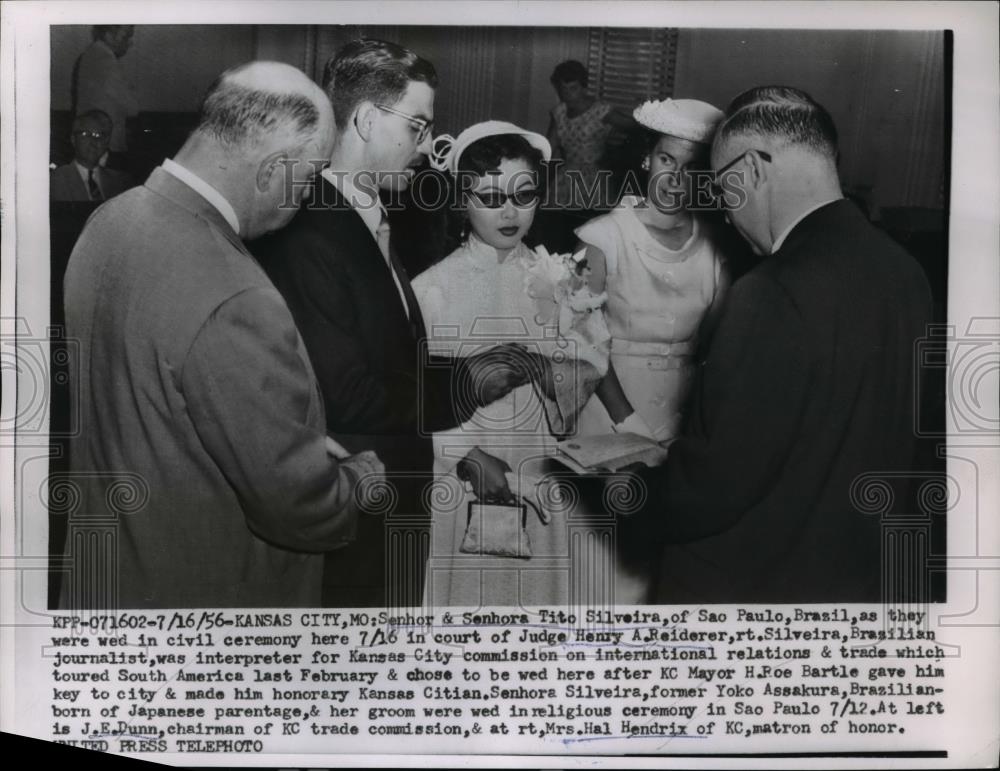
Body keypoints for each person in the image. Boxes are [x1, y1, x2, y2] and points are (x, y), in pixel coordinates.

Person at [61, 61, 382, 609]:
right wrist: (361, 474)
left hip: (108, 585)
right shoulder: (236, 294)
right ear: (273, 170)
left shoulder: (110, 219)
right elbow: (303, 509)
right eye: (307, 181)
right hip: (208, 609)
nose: (305, 201)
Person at [621, 86, 934, 603]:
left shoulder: (768, 292)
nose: (724, 213)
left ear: (752, 171)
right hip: (858, 584)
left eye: (723, 190)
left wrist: (631, 493)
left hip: (751, 590)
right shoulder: (907, 272)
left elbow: (713, 488)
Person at [253, 41, 531, 609]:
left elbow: (393, 360)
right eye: (418, 127)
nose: (428, 148)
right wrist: (470, 380)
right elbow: (345, 393)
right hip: (355, 506)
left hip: (394, 499)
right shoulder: (309, 233)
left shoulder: (366, 218)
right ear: (365, 119)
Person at [413, 122, 611, 607]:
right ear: (462, 201)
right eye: (490, 197)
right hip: (461, 477)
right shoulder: (430, 290)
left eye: (523, 195)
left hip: (537, 468)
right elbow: (411, 400)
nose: (509, 211)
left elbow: (591, 373)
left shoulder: (560, 279)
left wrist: (546, 369)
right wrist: (468, 456)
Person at [575, 98, 729, 444]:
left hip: (682, 423)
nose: (675, 179)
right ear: (647, 159)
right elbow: (582, 340)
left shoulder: (716, 247)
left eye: (690, 168)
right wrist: (626, 420)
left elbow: (716, 348)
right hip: (608, 416)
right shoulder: (600, 238)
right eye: (666, 160)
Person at [74, 25, 139, 169]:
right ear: (109, 35)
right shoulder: (105, 59)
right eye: (126, 36)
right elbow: (132, 107)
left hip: (93, 139)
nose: (129, 43)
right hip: (104, 144)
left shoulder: (92, 54)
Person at [50, 109, 133, 202]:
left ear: (106, 142)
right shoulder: (54, 181)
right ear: (73, 139)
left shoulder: (121, 182)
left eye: (99, 135)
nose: (93, 141)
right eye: (85, 134)